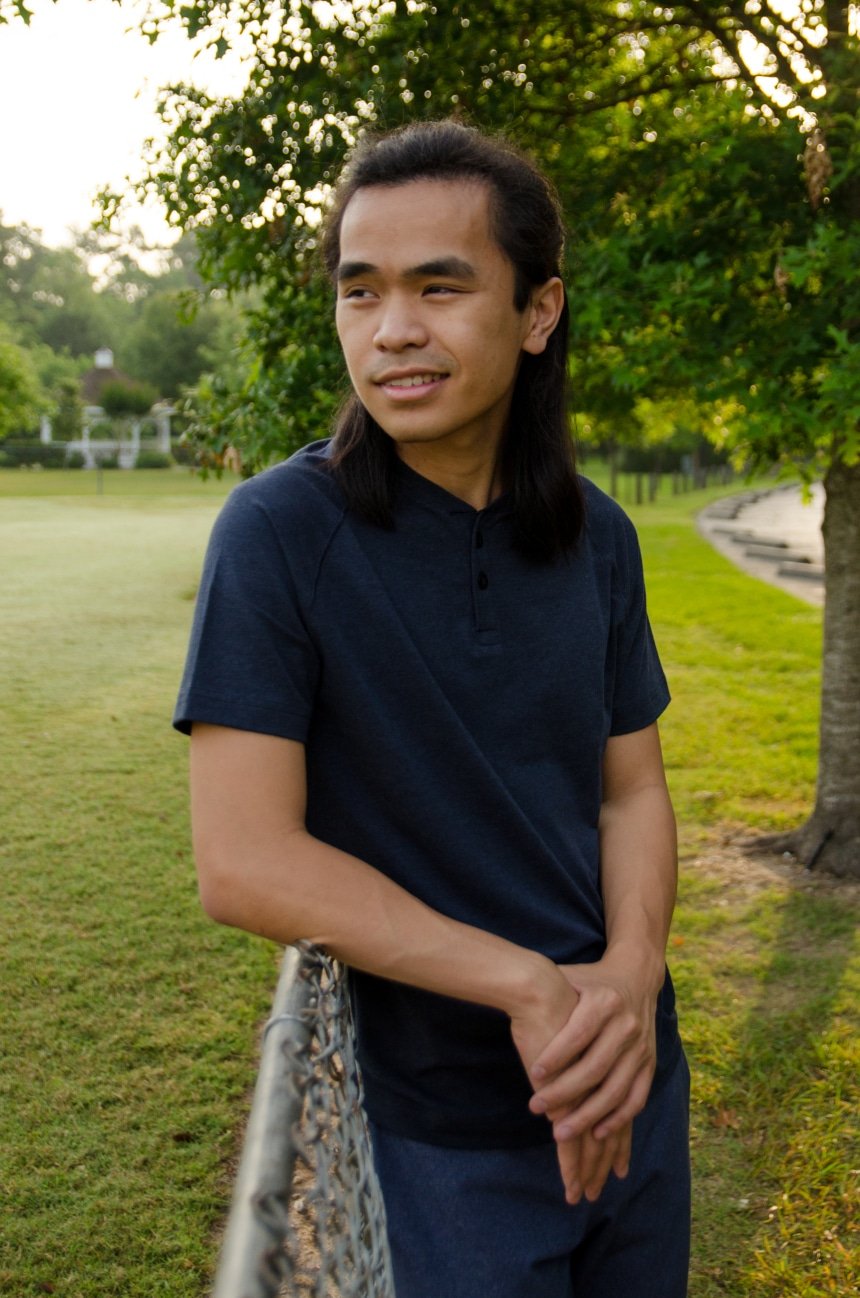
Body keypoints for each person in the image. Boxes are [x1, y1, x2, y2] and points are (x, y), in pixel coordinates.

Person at [174, 119, 690, 1298]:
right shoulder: (277, 534)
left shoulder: (596, 534)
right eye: (361, 292)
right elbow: (243, 861)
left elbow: (631, 789)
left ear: (539, 310)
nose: (392, 328)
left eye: (438, 286)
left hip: (631, 1087)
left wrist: (626, 977)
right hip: (439, 1130)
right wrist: (528, 983)